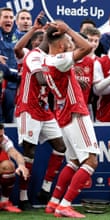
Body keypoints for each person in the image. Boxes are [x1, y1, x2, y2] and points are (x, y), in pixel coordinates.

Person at [42, 21, 99, 218]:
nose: (69, 43)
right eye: (66, 41)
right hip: (75, 111)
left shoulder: (46, 60)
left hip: (63, 113)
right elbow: (87, 47)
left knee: (74, 161)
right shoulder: (59, 59)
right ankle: (65, 205)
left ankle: (53, 202)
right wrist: (68, 29)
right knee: (91, 160)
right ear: (60, 45)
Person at [14, 13, 66, 209]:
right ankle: (23, 196)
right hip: (28, 107)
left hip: (44, 110)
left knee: (61, 147)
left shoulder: (49, 57)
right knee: (30, 151)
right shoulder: (34, 55)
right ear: (54, 39)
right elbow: (40, 79)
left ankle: (45, 189)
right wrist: (60, 83)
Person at [0, 123, 29, 213]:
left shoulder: (4, 140)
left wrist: (21, 165)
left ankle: (4, 202)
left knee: (9, 167)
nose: (1, 138)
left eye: (1, 135)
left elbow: (16, 154)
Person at [0, 7, 19, 123]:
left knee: (10, 121)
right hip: (1, 82)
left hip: (13, 85)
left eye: (11, 17)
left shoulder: (18, 36)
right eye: (5, 17)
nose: (9, 20)